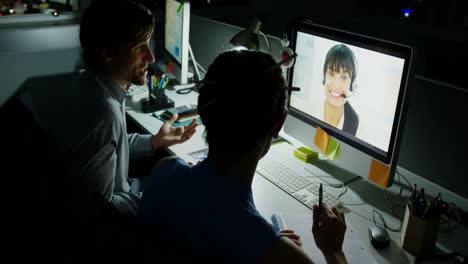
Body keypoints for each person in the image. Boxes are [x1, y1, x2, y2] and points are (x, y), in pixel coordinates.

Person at [137, 50, 348, 263]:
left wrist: (267, 242)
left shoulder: (163, 171)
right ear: (279, 124)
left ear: (202, 110)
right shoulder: (283, 256)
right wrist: (334, 252)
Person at [15, 0, 198, 219]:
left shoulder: (98, 83)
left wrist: (154, 141)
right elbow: (102, 207)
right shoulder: (103, 110)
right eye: (140, 47)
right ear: (108, 53)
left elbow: (112, 142)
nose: (150, 57)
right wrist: (160, 198)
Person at [322, 44, 359, 136]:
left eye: (344, 77)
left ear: (352, 84)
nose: (337, 85)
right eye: (331, 74)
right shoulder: (309, 109)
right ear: (324, 77)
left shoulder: (357, 127)